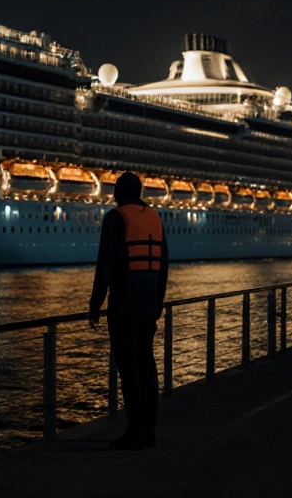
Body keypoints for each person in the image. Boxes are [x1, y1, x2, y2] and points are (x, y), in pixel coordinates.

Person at [88, 171, 169, 449]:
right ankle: (150, 430)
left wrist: (95, 304)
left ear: (119, 191)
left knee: (129, 369)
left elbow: (105, 264)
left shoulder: (116, 217)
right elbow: (163, 266)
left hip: (124, 304)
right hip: (149, 305)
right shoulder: (155, 217)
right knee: (147, 365)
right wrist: (158, 302)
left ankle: (135, 429)